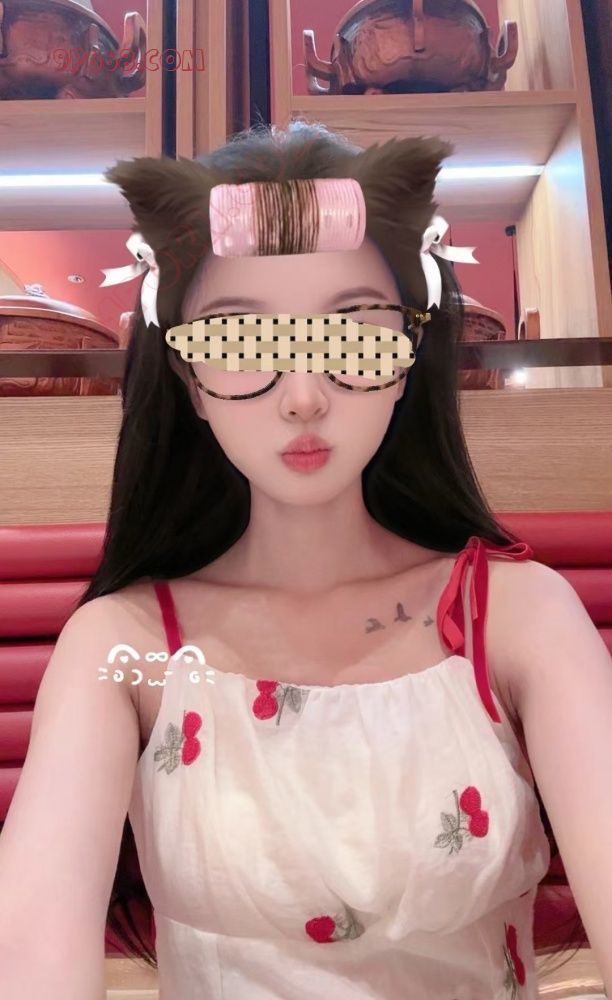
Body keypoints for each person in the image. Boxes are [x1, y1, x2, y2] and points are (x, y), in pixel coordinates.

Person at [0, 121, 609, 999]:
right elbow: (28, 948)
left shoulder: (513, 617)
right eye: (240, 343)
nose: (302, 395)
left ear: (408, 358)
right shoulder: (126, 648)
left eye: (354, 337)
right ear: (189, 380)